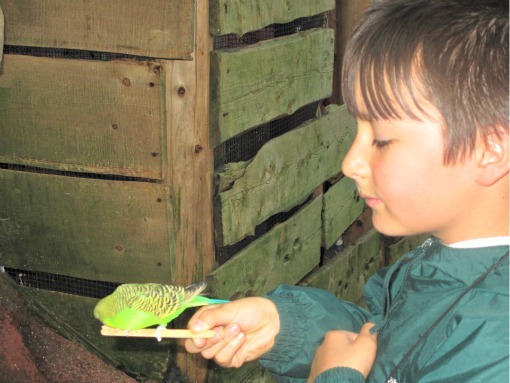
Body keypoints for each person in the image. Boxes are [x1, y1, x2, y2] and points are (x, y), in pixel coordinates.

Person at [185, 0, 509, 381]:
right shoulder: (445, 260)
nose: (350, 163)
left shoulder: (497, 349)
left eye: (383, 140)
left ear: (489, 150)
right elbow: (384, 341)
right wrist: (285, 327)